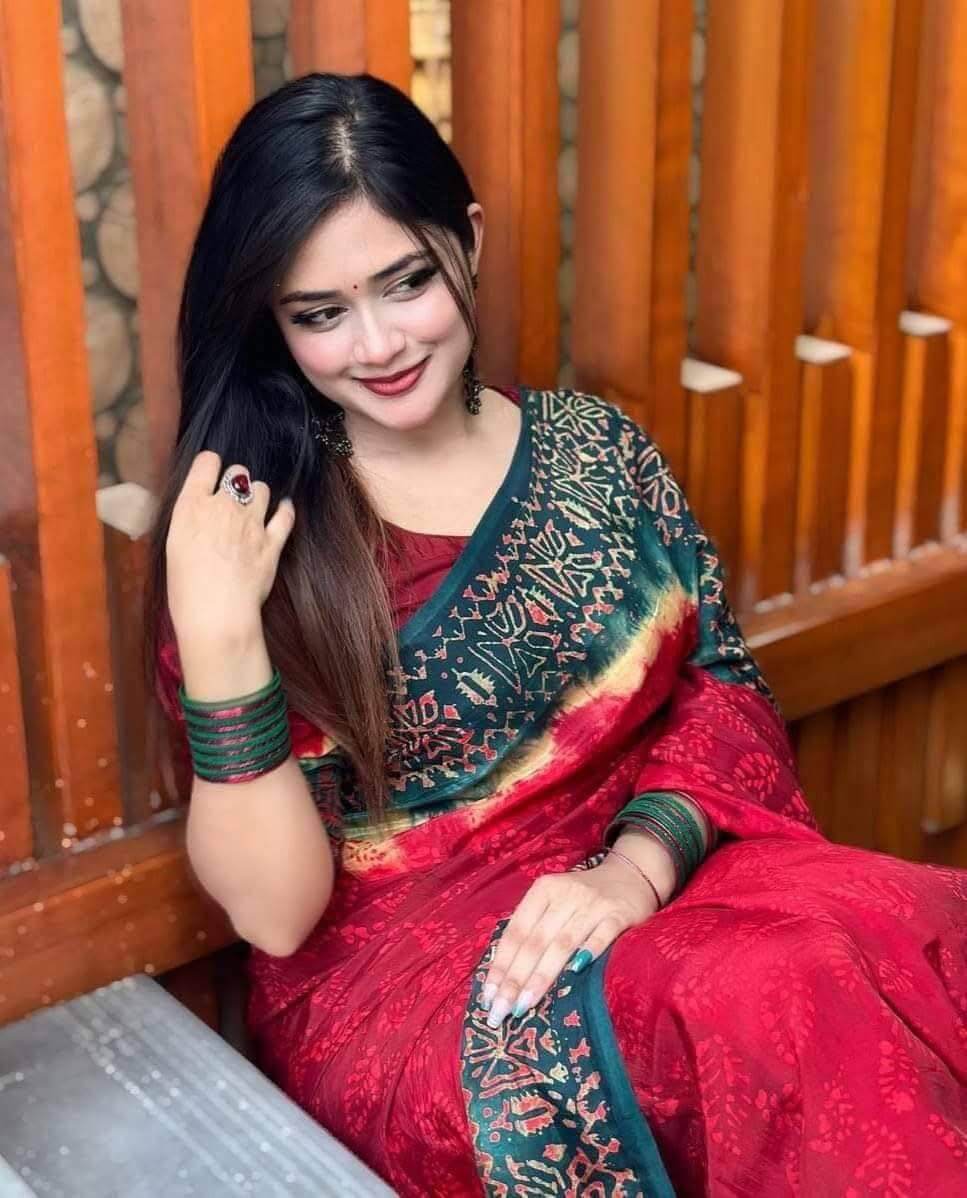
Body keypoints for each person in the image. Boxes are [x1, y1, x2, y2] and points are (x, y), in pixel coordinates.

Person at [148, 73, 966, 1196]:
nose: (377, 343)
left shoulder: (592, 450)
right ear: (271, 322)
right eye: (320, 314)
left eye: (407, 282)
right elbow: (278, 919)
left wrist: (630, 873)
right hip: (420, 990)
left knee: (907, 925)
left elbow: (719, 686)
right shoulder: (261, 534)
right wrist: (215, 630)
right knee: (777, 993)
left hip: (655, 880)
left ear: (468, 241)